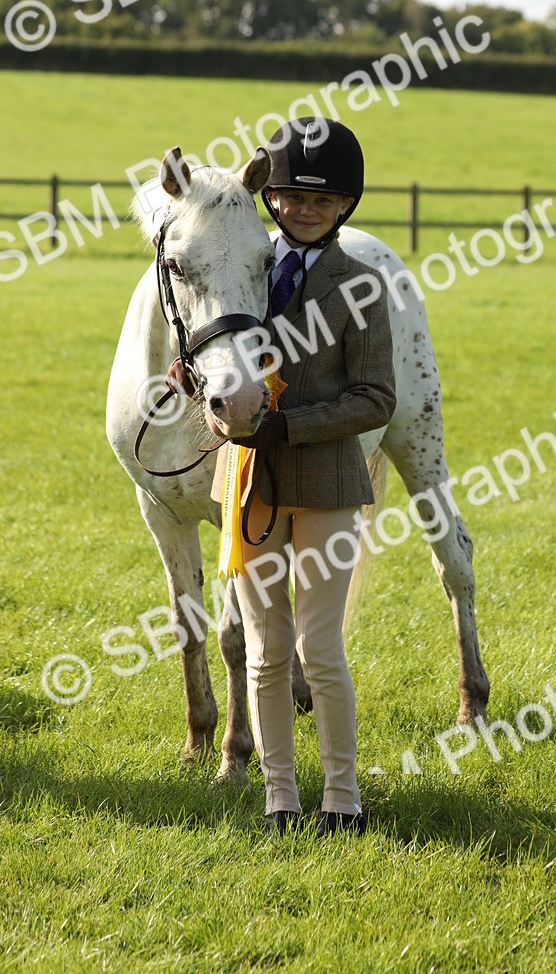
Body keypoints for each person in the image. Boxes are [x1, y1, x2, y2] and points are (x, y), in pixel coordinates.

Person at [213, 117, 397, 837]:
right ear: (273, 199)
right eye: (292, 196)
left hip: (325, 480)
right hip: (250, 479)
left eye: (323, 201)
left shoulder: (363, 286)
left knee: (318, 649)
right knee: (264, 649)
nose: (305, 210)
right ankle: (279, 797)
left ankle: (343, 800)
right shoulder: (244, 267)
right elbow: (212, 338)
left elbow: (377, 398)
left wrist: (293, 424)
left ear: (345, 206)